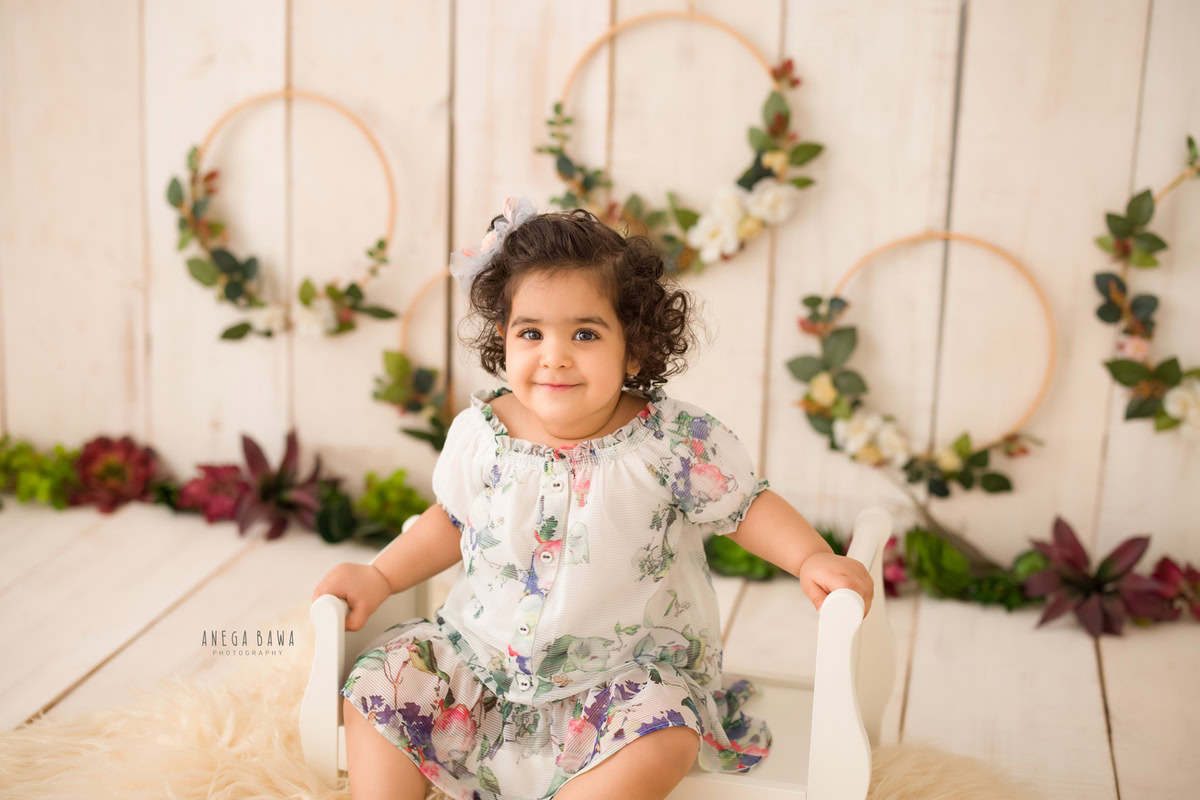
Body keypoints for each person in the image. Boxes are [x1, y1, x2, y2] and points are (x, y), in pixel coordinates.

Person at [311, 197, 874, 800]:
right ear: (505, 339)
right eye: (532, 332)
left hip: (621, 681)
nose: (554, 355)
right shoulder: (483, 434)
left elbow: (746, 506)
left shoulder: (669, 442)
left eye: (585, 333)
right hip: (478, 664)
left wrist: (812, 558)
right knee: (382, 681)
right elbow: (449, 522)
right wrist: (380, 577)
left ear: (633, 348)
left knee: (663, 736)